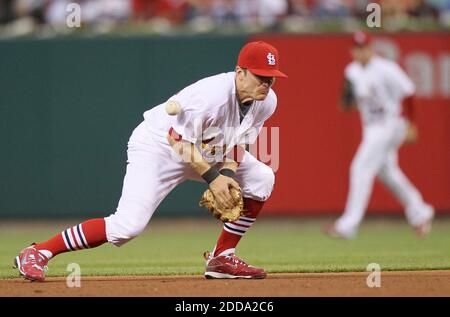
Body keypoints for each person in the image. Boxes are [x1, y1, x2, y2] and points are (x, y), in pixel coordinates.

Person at [13, 41, 287, 281]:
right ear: (240, 73)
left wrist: (227, 173)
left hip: (206, 148)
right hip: (159, 146)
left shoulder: (267, 100)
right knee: (127, 226)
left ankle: (222, 258)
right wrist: (214, 180)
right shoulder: (210, 96)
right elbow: (177, 142)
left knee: (262, 178)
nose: (266, 83)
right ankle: (38, 251)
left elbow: (240, 139)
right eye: (260, 76)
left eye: (271, 77)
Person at [325, 31, 434, 239]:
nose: (361, 52)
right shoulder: (352, 71)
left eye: (364, 47)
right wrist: (346, 99)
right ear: (352, 51)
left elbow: (409, 93)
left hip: (390, 124)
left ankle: (348, 225)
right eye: (357, 48)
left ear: (371, 48)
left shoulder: (386, 68)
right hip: (371, 127)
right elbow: (346, 103)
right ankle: (420, 212)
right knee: (388, 173)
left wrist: (411, 125)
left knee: (360, 168)